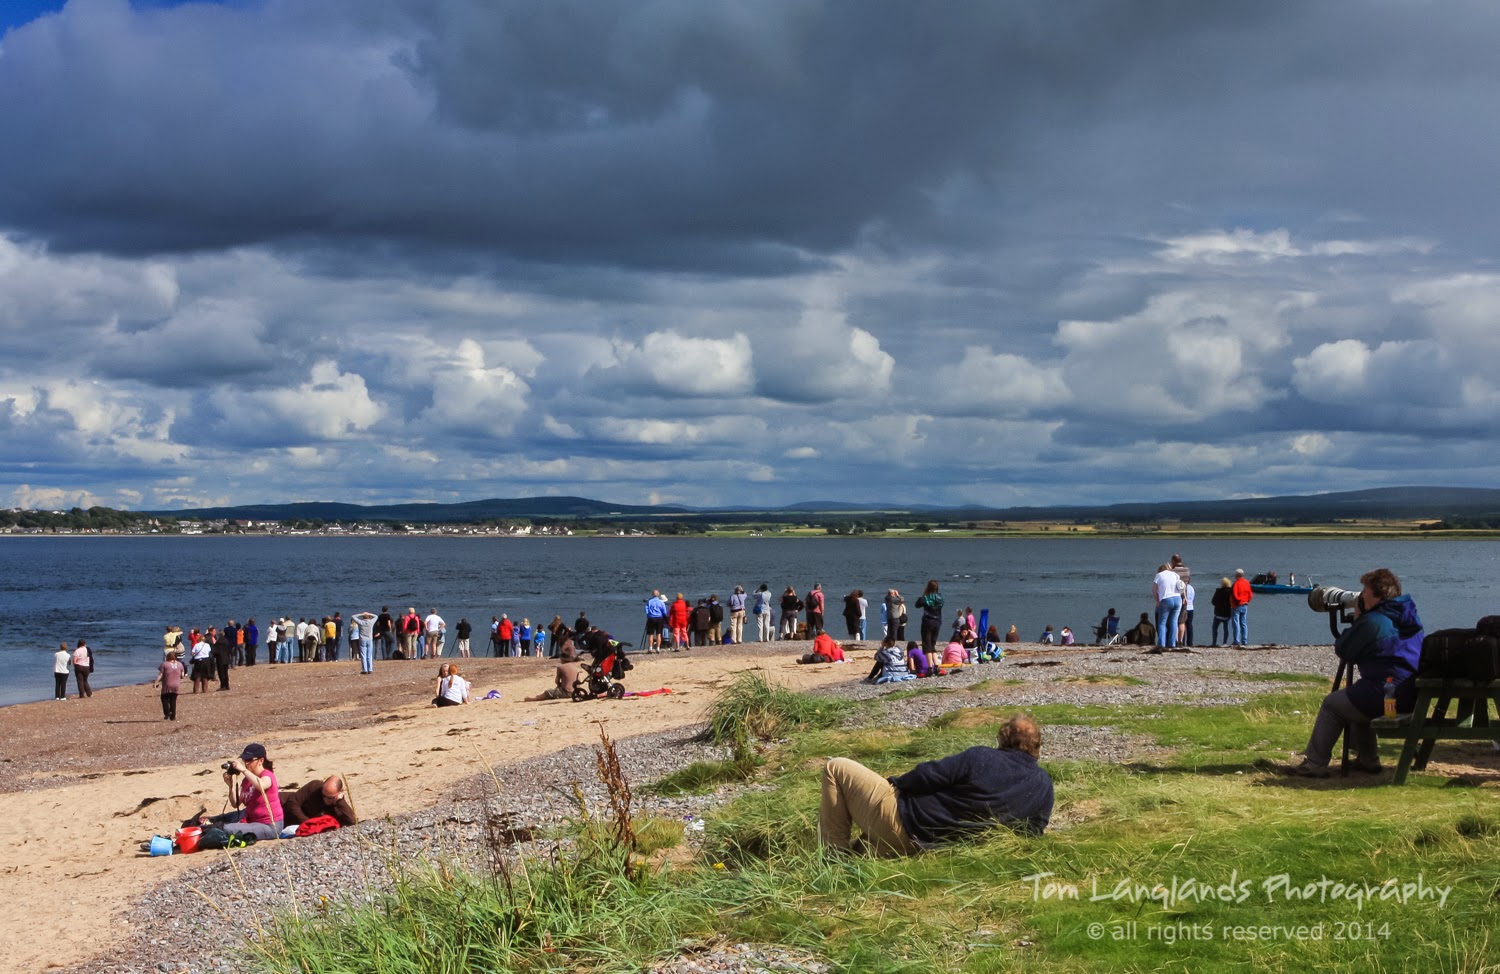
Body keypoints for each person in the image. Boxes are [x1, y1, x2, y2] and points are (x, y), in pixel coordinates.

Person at [819, 715, 1054, 856]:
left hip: (904, 821)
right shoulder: (1044, 786)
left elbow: (928, 775)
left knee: (836, 767)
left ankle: (834, 854)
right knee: (861, 846)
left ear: (1003, 739)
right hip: (926, 847)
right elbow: (1033, 831)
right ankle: (856, 850)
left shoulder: (982, 757)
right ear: (1036, 746)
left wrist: (895, 783)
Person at [1289, 568, 1423, 778]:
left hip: (1388, 695)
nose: (1361, 595)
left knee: (1333, 704)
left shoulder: (1373, 622)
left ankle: (1315, 764)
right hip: (1410, 694)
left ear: (1377, 595)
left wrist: (1360, 619)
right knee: (1357, 695)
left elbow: (1344, 650)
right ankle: (1367, 759)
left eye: (1365, 591)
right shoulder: (1408, 617)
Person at [208, 743, 282, 841]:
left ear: (261, 760)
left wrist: (243, 770)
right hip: (252, 820)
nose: (246, 763)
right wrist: (231, 786)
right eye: (245, 760)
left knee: (226, 829)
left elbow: (261, 785)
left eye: (249, 760)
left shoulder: (267, 775)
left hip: (270, 826)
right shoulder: (247, 780)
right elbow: (235, 803)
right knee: (220, 819)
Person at [282, 775, 357, 828]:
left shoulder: (338, 804)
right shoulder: (315, 786)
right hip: (281, 804)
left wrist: (340, 801)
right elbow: (292, 803)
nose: (326, 800)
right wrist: (310, 823)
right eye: (324, 795)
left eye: (330, 797)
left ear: (340, 792)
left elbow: (352, 821)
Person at [1152, 563, 1183, 650]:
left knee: (1162, 623)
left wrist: (1157, 601)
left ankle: (1161, 643)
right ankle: (1172, 643)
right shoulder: (1175, 575)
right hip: (1177, 598)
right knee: (1174, 622)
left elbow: (1154, 590)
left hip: (1166, 599)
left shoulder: (1159, 575)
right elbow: (1181, 586)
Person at [152, 650, 186, 720]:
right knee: (173, 700)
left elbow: (160, 674)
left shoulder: (165, 664)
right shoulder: (180, 664)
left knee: (164, 698)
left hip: (167, 684)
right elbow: (182, 675)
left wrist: (156, 682)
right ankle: (173, 716)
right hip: (176, 685)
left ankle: (167, 712)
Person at [915, 580, 944, 658]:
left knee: (927, 645)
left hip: (928, 621)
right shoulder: (940, 597)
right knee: (932, 645)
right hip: (937, 621)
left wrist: (924, 594)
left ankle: (930, 664)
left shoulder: (926, 598)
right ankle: (935, 663)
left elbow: (917, 604)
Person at [1230, 569, 1254, 645]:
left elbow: (1235, 595)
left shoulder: (1236, 583)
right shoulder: (1247, 582)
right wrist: (1247, 601)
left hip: (1237, 605)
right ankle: (1244, 640)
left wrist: (1237, 602)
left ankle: (1236, 640)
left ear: (1236, 575)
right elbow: (1250, 595)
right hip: (1245, 604)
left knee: (1236, 623)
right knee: (1243, 623)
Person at [352, 609, 377, 674]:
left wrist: (361, 614)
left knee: (363, 655)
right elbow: (376, 616)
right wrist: (369, 613)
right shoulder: (371, 622)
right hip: (369, 639)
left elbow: (353, 616)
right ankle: (370, 669)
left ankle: (364, 669)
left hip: (362, 639)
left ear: (363, 617)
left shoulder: (361, 622)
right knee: (369, 655)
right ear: (368, 617)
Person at [1210, 578, 1233, 646]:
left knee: (1214, 628)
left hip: (1218, 614)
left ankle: (1214, 642)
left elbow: (1213, 602)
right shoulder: (1231, 592)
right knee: (1226, 630)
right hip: (1227, 614)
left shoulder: (1218, 591)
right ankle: (1224, 643)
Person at [1180, 580, 1196, 647]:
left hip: (1184, 608)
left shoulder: (1182, 588)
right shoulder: (1191, 588)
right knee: (1189, 625)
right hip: (1191, 608)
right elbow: (1193, 598)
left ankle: (1182, 641)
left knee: (1182, 624)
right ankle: (1190, 642)